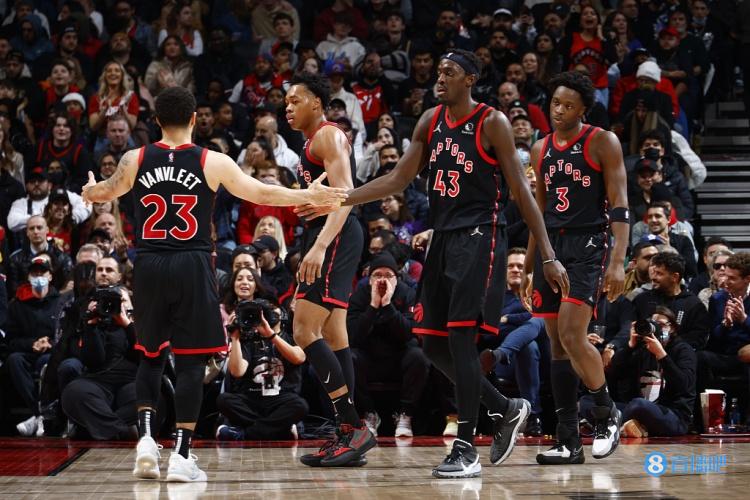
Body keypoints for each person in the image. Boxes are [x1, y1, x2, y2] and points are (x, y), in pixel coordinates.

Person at [296, 49, 568, 478]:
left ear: (470, 79)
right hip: (443, 237)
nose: (440, 78)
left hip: (480, 236)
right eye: (438, 71)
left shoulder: (492, 122)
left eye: (449, 72)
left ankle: (466, 447)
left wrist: (547, 255)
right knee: (432, 344)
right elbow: (398, 178)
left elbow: (521, 191)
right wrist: (341, 197)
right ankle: (503, 408)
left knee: (460, 340)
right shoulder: (430, 120)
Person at [81, 86, 347, 483]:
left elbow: (107, 189)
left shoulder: (134, 158)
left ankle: (147, 441)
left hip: (149, 263)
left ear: (156, 121)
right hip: (191, 262)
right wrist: (306, 193)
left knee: (150, 356)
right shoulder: (212, 160)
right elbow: (259, 191)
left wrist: (90, 191)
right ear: (193, 119)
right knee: (191, 361)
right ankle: (181, 455)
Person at [522, 71, 630, 465]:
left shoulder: (602, 141)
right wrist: (531, 264)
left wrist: (617, 261)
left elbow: (620, 203)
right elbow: (538, 210)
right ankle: (568, 440)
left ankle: (605, 413)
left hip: (588, 243)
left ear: (583, 110)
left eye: (569, 106)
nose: (559, 111)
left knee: (572, 333)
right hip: (551, 245)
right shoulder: (540, 148)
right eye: (555, 103)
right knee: (556, 344)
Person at [282, 72, 373, 469]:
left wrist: (319, 246)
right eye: (286, 102)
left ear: (316, 103)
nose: (288, 107)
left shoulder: (327, 136)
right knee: (335, 334)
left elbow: (346, 196)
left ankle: (354, 428)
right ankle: (348, 434)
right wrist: (308, 204)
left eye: (295, 100)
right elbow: (329, 197)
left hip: (335, 236)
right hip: (329, 231)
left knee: (304, 329)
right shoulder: (310, 142)